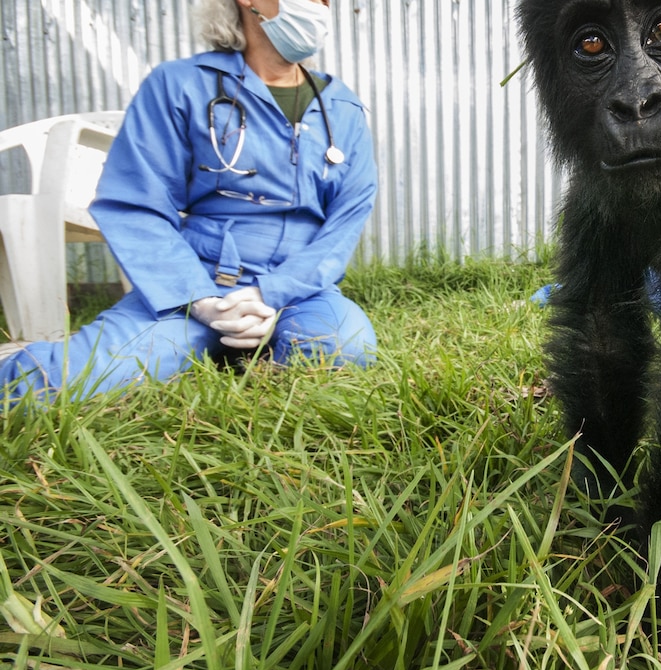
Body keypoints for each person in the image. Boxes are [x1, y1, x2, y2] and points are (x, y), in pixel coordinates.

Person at [0, 0, 378, 405]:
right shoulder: (179, 84)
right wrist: (200, 301)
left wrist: (272, 293)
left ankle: (240, 350)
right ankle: (205, 339)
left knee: (345, 350)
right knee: (60, 384)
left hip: (301, 290)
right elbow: (137, 203)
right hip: (202, 281)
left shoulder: (342, 106)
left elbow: (347, 218)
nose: (319, 5)